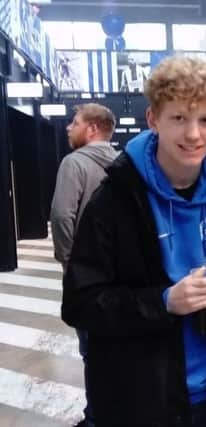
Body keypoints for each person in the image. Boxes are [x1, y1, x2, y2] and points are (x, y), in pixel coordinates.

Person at [61, 56, 206, 426]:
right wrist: (164, 301)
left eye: (205, 120)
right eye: (179, 118)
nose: (193, 134)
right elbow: (80, 303)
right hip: (143, 400)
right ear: (153, 119)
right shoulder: (115, 198)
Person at [50, 102, 118, 427]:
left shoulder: (74, 163)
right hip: (123, 279)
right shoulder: (126, 163)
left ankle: (95, 418)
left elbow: (63, 215)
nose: (68, 127)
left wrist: (69, 262)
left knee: (91, 351)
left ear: (91, 128)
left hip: (87, 280)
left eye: (74, 122)